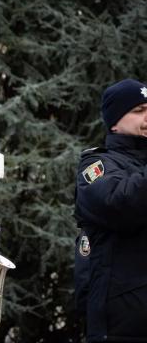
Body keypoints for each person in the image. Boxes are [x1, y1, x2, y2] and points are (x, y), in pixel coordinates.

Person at [75, 78, 147, 342]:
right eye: (139, 110)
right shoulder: (95, 165)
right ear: (114, 122)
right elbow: (119, 203)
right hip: (122, 324)